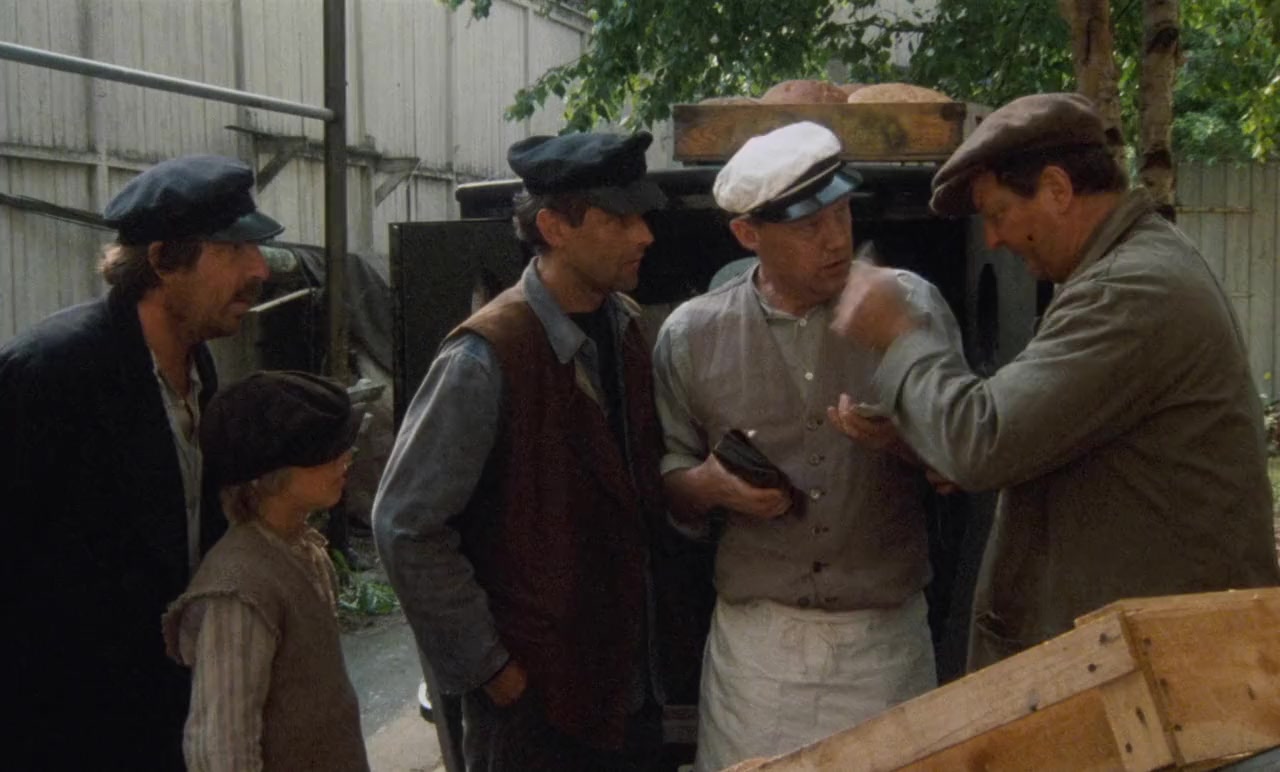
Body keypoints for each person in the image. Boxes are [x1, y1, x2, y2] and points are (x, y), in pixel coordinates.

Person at [828, 92, 1280, 672]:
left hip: (1168, 669)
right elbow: (1047, 434)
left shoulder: (1128, 290)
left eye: (998, 215)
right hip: (1151, 655)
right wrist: (925, 439)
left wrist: (899, 334)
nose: (993, 240)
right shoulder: (1129, 267)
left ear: (1057, 189)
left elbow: (984, 439)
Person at [653, 121, 950, 771]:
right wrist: (709, 485)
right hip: (759, 657)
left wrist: (902, 442)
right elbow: (669, 473)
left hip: (885, 645)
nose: (836, 239)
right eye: (810, 226)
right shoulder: (689, 335)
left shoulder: (914, 308)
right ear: (747, 234)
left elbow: (966, 458)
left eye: (842, 214)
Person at [373, 130, 669, 771]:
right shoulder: (485, 356)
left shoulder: (625, 326)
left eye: (643, 216)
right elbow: (405, 525)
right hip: (535, 715)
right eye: (620, 219)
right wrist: (492, 670)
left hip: (622, 694)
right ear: (554, 227)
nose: (644, 234)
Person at [0, 155, 281, 769]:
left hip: (165, 713)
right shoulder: (54, 374)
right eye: (233, 250)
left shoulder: (198, 364)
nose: (260, 269)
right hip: (68, 728)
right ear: (162, 260)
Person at [163, 370, 370, 772]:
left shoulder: (301, 550)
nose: (344, 459)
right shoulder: (239, 589)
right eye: (324, 452)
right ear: (266, 476)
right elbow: (222, 749)